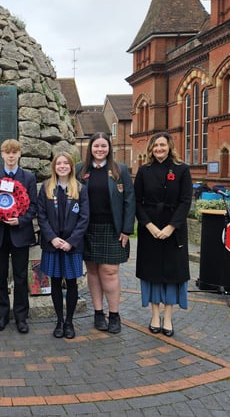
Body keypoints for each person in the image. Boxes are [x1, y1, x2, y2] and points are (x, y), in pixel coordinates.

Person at [134, 132, 192, 338]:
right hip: (149, 230)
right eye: (155, 145)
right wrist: (149, 225)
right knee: (152, 275)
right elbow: (137, 201)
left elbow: (185, 201)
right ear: (150, 148)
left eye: (162, 145)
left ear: (169, 147)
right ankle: (155, 315)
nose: (159, 148)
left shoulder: (182, 170)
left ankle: (168, 317)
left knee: (172, 275)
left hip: (173, 231)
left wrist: (170, 227)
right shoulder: (144, 171)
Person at [77, 132, 135, 334]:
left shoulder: (120, 170)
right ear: (90, 148)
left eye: (103, 146)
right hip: (87, 229)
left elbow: (129, 200)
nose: (100, 149)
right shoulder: (81, 171)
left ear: (109, 148)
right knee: (92, 271)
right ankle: (98, 313)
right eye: (96, 146)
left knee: (110, 272)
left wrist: (127, 229)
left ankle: (115, 314)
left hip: (112, 229)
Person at [0, 139, 37, 333]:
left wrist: (21, 220)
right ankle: (2, 315)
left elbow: (33, 206)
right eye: (7, 152)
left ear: (19, 154)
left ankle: (21, 317)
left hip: (20, 233)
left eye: (14, 152)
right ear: (2, 154)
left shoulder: (28, 178)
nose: (11, 155)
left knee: (21, 277)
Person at [37, 152, 89, 339]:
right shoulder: (46, 188)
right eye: (59, 163)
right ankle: (59, 321)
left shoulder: (80, 189)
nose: (62, 166)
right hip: (52, 245)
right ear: (54, 167)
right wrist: (52, 238)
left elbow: (84, 218)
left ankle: (69, 322)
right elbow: (41, 216)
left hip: (71, 246)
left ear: (71, 166)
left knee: (72, 283)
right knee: (56, 282)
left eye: (66, 163)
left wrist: (71, 241)